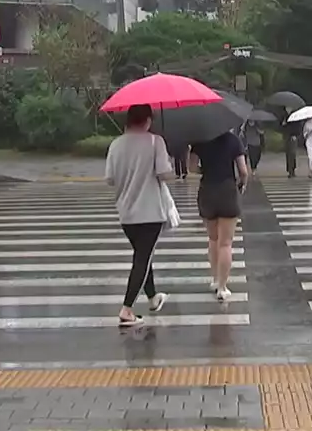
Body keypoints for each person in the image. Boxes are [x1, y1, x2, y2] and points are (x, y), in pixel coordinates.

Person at [105, 104, 175, 326]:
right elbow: (164, 174)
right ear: (147, 121)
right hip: (150, 212)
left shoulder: (115, 144)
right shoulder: (155, 142)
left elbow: (110, 179)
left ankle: (153, 297)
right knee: (142, 258)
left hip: (126, 212)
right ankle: (127, 309)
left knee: (143, 256)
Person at [189, 129, 250, 301]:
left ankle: (215, 279)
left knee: (213, 239)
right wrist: (242, 184)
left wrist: (205, 170)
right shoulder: (233, 140)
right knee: (226, 243)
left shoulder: (200, 139)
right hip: (227, 190)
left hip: (207, 190)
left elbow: (191, 167)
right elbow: (243, 171)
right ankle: (223, 287)